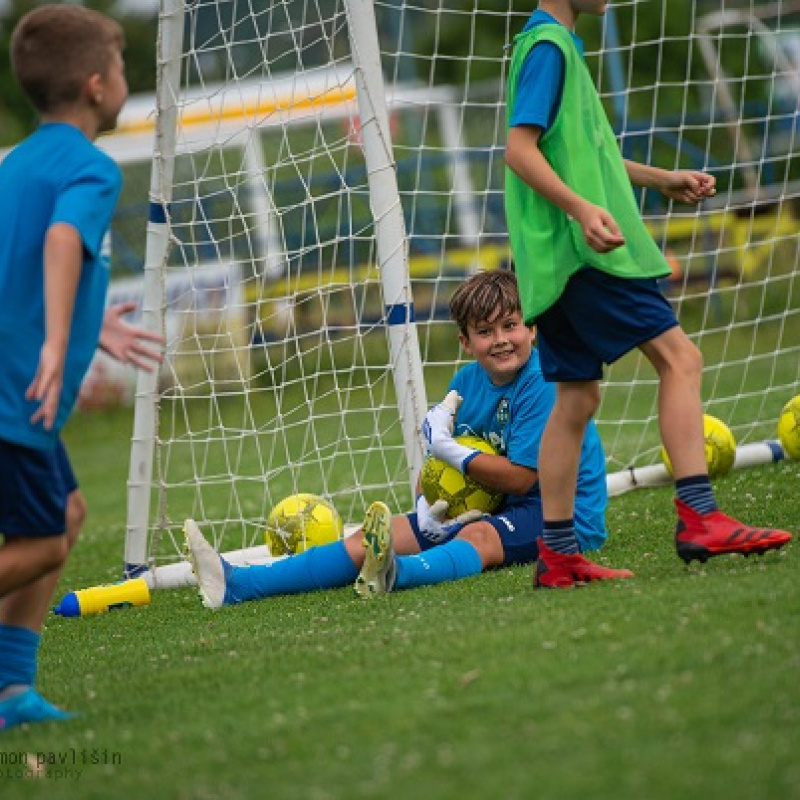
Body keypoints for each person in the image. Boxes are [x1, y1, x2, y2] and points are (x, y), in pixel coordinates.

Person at [503, 0, 792, 587]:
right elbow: (519, 150)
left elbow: (591, 151)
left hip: (554, 260)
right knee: (681, 358)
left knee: (576, 399)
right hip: (585, 252)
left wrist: (664, 180)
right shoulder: (548, 49)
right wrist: (583, 210)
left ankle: (557, 555)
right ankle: (701, 517)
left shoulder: (555, 45)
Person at [184, 269, 614, 608]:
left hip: (563, 514)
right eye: (485, 331)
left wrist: (451, 451)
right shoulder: (466, 382)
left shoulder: (541, 380)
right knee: (375, 535)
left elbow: (521, 479)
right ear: (465, 342)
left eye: (510, 326)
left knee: (478, 538)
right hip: (494, 502)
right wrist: (426, 505)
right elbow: (440, 466)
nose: (501, 340)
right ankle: (239, 582)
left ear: (532, 329)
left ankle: (396, 573)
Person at [0, 5, 163, 730]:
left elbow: (20, 268)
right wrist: (58, 342)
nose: (127, 78)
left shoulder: (17, 165)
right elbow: (63, 241)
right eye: (124, 66)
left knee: (63, 517)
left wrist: (88, 326)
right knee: (40, 542)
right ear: (97, 85)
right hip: (18, 394)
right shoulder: (90, 169)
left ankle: (10, 690)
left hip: (12, 387)